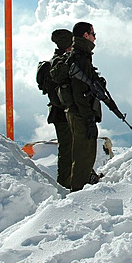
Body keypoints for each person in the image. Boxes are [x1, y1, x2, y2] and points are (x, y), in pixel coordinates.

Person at [66, 21, 103, 191]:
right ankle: (78, 196)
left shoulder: (81, 55)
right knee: (84, 156)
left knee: (84, 154)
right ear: (85, 35)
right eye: (93, 34)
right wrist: (88, 117)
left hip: (79, 113)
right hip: (81, 114)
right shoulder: (80, 56)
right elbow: (79, 92)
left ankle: (80, 189)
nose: (95, 38)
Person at [48, 29, 74, 189]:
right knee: (67, 152)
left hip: (59, 113)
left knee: (70, 150)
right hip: (63, 114)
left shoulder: (55, 62)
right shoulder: (61, 64)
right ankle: (65, 185)